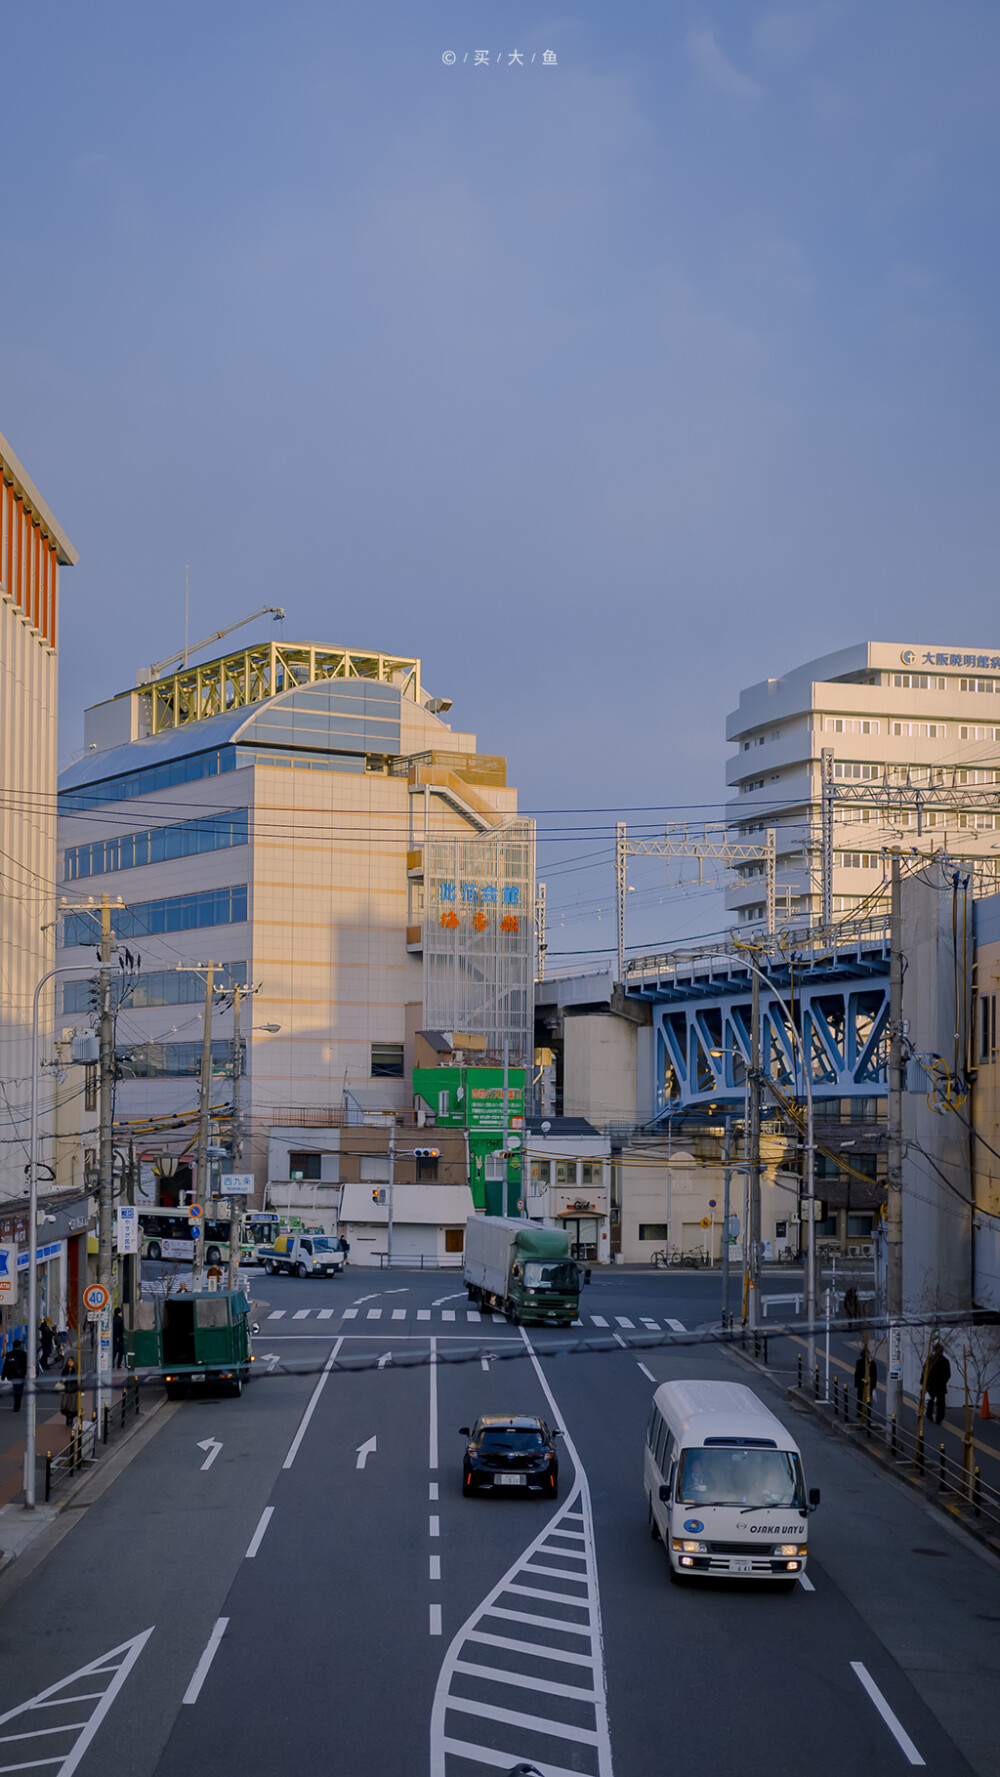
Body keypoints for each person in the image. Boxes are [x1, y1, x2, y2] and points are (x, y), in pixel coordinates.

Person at [926, 1344, 951, 1426]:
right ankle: (939, 1419)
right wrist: (944, 1381)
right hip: (941, 1385)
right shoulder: (945, 1361)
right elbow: (948, 1374)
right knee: (940, 1403)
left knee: (931, 1401)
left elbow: (925, 1372)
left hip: (932, 1384)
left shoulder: (931, 1360)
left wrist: (925, 1382)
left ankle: (929, 1415)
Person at [2, 1339, 27, 1411]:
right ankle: (17, 1404)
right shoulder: (23, 1354)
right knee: (20, 1389)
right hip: (20, 1375)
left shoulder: (9, 1354)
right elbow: (25, 1365)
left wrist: (4, 1375)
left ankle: (16, 1404)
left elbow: (6, 1365)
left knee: (15, 1388)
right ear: (20, 1346)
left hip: (12, 1375)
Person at [58, 1355, 79, 1425]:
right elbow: (61, 1379)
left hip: (73, 1390)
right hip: (66, 1390)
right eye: (69, 1361)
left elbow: (79, 1381)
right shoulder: (65, 1370)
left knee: (72, 1406)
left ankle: (71, 1419)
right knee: (66, 1405)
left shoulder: (76, 1370)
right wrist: (63, 1380)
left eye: (71, 1361)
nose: (70, 1362)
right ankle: (67, 1418)